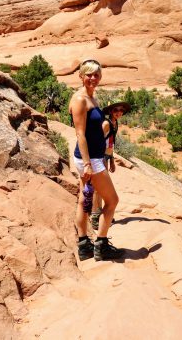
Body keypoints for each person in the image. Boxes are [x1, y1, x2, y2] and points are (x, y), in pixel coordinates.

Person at [70, 59, 125, 261]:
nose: (93, 78)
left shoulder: (92, 98)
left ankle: (84, 246)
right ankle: (101, 246)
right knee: (112, 201)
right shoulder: (79, 100)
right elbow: (80, 134)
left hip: (92, 158)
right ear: (81, 76)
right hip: (90, 160)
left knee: (84, 201)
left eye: (96, 75)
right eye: (89, 74)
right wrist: (87, 164)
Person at [90, 101, 131, 231]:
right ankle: (95, 217)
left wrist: (112, 159)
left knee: (101, 187)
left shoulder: (115, 123)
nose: (119, 112)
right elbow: (97, 141)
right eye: (116, 110)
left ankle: (101, 213)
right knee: (98, 187)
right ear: (111, 111)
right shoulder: (107, 124)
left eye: (121, 110)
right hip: (99, 157)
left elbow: (110, 143)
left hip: (105, 157)